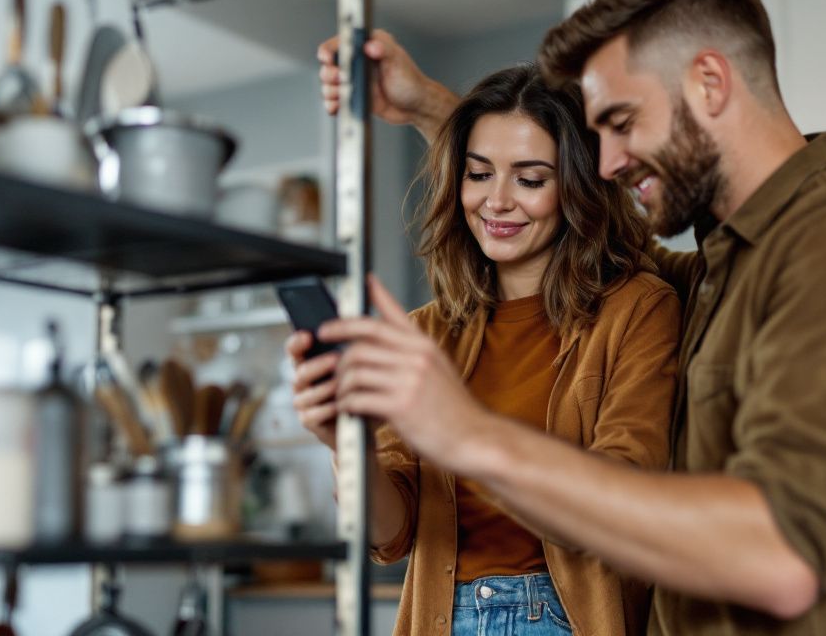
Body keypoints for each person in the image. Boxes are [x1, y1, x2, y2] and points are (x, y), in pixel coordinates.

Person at [310, 0, 826, 635]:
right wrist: (433, 110)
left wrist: (467, 433)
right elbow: (572, 218)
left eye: (621, 123)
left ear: (709, 83)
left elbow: (781, 553)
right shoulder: (725, 265)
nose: (608, 161)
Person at [289, 64, 681, 636]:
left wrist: (469, 434)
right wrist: (346, 442)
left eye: (529, 179)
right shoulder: (429, 333)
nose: (496, 202)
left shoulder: (637, 310)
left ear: (576, 187)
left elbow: (621, 500)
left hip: (564, 618)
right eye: (478, 174)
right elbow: (391, 536)